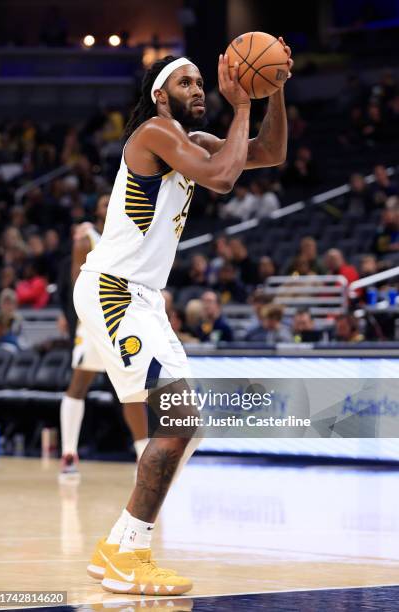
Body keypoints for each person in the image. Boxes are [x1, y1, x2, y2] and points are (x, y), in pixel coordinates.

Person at [73, 43, 292, 595]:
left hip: (143, 298)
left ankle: (118, 545)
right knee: (179, 419)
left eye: (201, 83)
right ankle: (134, 557)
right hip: (114, 291)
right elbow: (222, 178)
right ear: (160, 95)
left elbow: (269, 152)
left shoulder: (190, 143)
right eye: (187, 83)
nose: (198, 91)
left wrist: (273, 91)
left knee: (187, 431)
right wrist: (241, 103)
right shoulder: (154, 133)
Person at [59, 194, 149, 481]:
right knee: (79, 383)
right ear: (96, 212)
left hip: (123, 320)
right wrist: (81, 321)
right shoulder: (87, 238)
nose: (108, 207)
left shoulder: (129, 236)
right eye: (102, 204)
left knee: (132, 387)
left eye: (113, 202)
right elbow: (76, 281)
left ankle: (143, 456)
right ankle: (68, 454)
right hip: (94, 321)